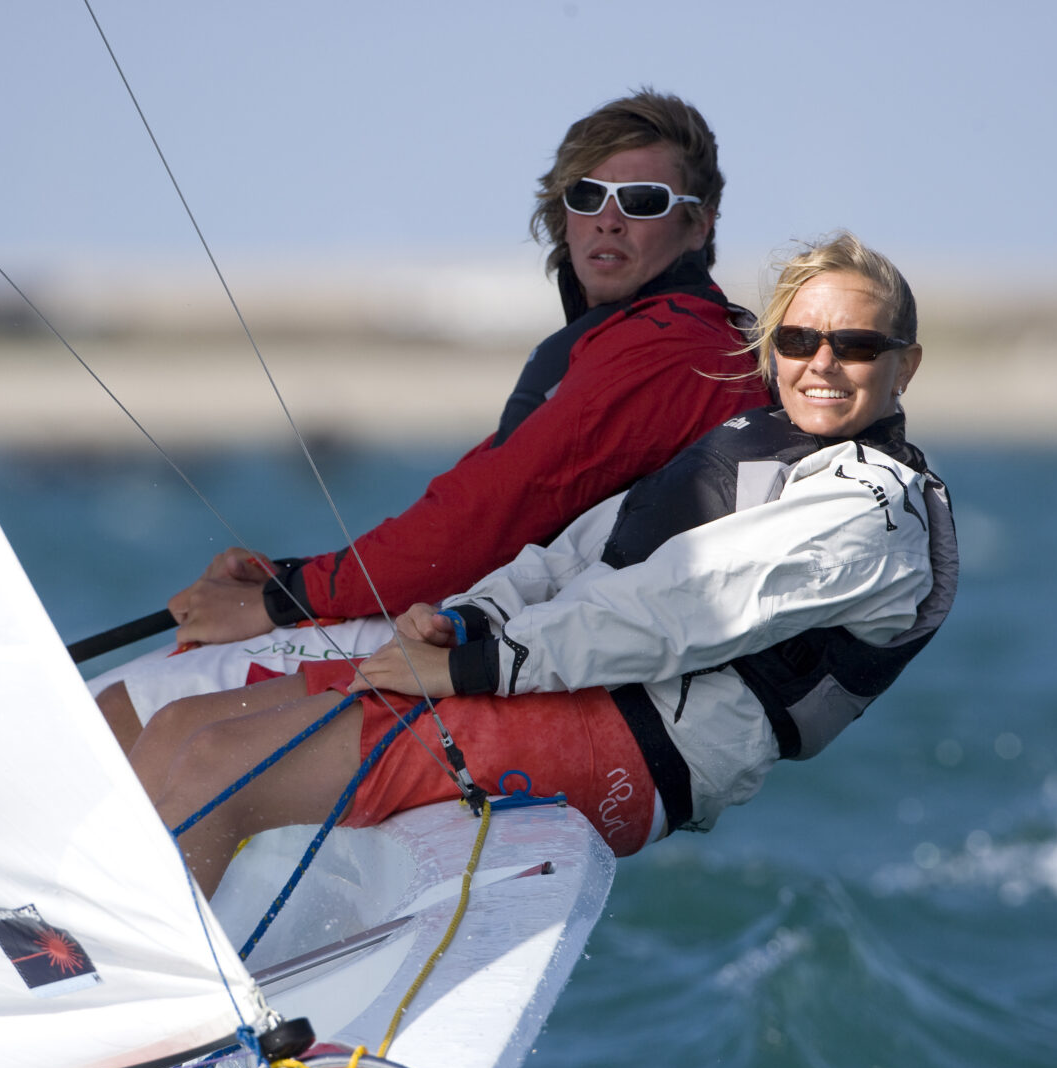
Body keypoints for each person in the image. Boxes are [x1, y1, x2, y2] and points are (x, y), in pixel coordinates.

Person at [130, 232, 957, 896]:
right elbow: (580, 551)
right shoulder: (753, 444)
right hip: (557, 675)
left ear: (904, 364)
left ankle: (139, 1030)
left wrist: (476, 663)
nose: (821, 363)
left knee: (214, 771)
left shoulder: (873, 511)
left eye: (852, 345)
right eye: (800, 338)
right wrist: (469, 618)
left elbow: (675, 610)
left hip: (640, 741)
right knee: (183, 728)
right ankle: (78, 964)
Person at [92, 89, 767, 750]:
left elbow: (484, 520)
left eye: (642, 202)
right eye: (586, 196)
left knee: (123, 710)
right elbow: (492, 486)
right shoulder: (645, 337)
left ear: (699, 224)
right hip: (538, 641)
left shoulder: (670, 350)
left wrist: (283, 599)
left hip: (564, 671)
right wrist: (292, 576)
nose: (608, 220)